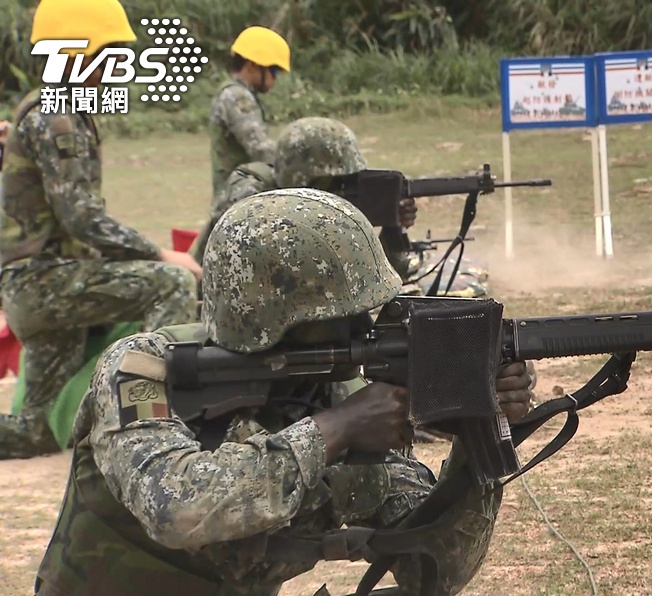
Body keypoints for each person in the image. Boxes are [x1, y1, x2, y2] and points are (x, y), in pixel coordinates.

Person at [33, 188, 537, 595]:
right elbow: (176, 508)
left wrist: (480, 441)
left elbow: (437, 570)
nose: (366, 325)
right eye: (345, 314)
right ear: (271, 317)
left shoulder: (339, 390)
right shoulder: (143, 368)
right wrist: (334, 432)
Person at [0, 0, 202, 460]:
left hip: (46, 285)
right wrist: (156, 253)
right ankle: (149, 425)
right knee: (169, 283)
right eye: (108, 53)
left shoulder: (63, 108)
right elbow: (82, 218)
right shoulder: (54, 117)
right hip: (46, 283)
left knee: (37, 432)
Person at [193, 116, 417, 278]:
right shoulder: (252, 198)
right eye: (335, 182)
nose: (340, 191)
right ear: (304, 178)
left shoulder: (297, 202)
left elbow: (376, 276)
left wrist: (389, 225)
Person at [208, 26, 290, 201]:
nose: (275, 79)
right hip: (237, 200)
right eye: (274, 71)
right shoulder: (236, 97)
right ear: (252, 66)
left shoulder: (240, 94)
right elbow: (260, 148)